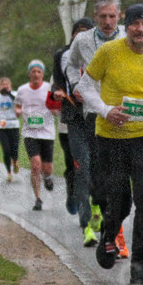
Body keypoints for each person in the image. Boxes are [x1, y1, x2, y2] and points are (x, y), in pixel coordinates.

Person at [76, 3, 143, 285]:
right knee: (121, 204)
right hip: (111, 140)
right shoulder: (109, 52)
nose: (140, 29)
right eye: (135, 24)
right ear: (127, 26)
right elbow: (84, 87)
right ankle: (108, 235)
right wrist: (105, 110)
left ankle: (139, 264)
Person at [67, 0, 129, 255]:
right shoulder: (82, 40)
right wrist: (76, 86)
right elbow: (71, 65)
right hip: (95, 113)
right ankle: (102, 217)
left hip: (124, 112)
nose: (107, 21)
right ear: (95, 17)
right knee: (100, 172)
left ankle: (116, 233)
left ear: (119, 16)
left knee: (120, 173)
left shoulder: (129, 35)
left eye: (112, 16)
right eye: (103, 16)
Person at [53, 18, 95, 220]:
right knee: (79, 164)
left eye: (85, 32)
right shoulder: (62, 55)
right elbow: (57, 81)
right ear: (72, 35)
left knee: (96, 165)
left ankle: (97, 206)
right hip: (73, 114)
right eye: (78, 31)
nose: (81, 36)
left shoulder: (100, 52)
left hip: (97, 114)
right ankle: (84, 214)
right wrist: (57, 92)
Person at [15, 60, 56, 211]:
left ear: (42, 74)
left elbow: (56, 105)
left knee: (47, 167)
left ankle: (48, 177)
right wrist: (18, 111)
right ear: (29, 74)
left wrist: (55, 109)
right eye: (34, 71)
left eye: (39, 71)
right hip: (29, 132)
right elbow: (17, 105)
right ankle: (38, 198)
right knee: (35, 165)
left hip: (47, 132)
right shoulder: (22, 90)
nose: (36, 74)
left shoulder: (49, 88)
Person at [0, 77, 21, 181]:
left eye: (7, 84)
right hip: (2, 126)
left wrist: (9, 93)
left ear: (10, 86)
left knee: (15, 149)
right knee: (6, 150)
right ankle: (9, 173)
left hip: (14, 125)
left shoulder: (15, 94)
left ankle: (15, 162)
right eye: (2, 85)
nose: (5, 86)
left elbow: (18, 103)